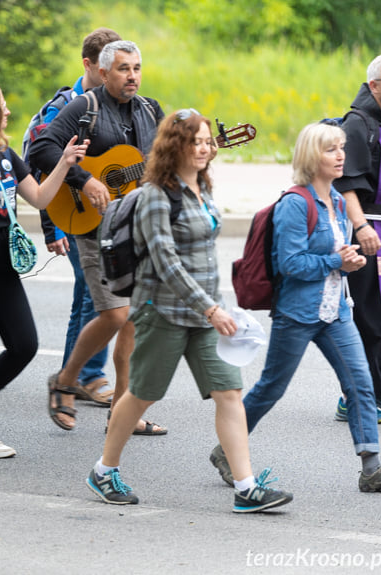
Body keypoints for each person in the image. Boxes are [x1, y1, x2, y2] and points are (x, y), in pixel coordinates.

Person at [87, 109, 293, 512]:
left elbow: (201, 254)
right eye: (194, 141)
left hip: (203, 315)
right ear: (173, 146)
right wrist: (211, 308)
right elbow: (164, 260)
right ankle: (103, 470)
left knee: (230, 393)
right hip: (162, 311)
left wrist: (215, 307)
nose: (203, 148)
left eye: (205, 141)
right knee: (141, 395)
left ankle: (246, 487)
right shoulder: (153, 196)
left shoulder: (201, 187)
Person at [210, 122, 381, 493]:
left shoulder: (340, 202)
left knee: (360, 385)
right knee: (270, 389)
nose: (341, 155)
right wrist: (336, 262)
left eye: (341, 148)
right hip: (298, 312)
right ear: (312, 157)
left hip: (337, 311)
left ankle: (372, 469)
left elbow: (337, 254)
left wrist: (351, 261)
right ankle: (225, 451)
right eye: (331, 150)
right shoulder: (295, 203)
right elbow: (291, 264)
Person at [0, 80, 87, 457]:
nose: (7, 112)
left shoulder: (5, 154)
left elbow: (39, 197)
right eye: (2, 107)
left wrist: (65, 163)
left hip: (3, 265)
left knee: (25, 344)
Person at [30, 40, 167, 434]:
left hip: (135, 227)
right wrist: (85, 178)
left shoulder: (149, 110)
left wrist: (196, 153)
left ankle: (123, 415)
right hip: (91, 227)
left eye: (137, 68)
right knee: (115, 314)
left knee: (133, 323)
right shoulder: (83, 107)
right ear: (104, 73)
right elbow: (41, 150)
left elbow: (157, 162)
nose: (133, 76)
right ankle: (66, 379)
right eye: (124, 69)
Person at [35, 27, 121, 408]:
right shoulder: (67, 106)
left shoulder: (123, 104)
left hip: (110, 214)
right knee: (94, 298)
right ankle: (84, 375)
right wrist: (51, 224)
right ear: (89, 65)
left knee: (90, 297)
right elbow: (39, 160)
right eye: (107, 66)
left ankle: (76, 373)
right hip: (72, 211)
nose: (115, 74)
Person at [333, 53, 381, 417]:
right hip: (372, 233)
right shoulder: (358, 125)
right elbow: (346, 183)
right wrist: (361, 227)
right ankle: (353, 397)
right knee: (369, 316)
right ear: (374, 86)